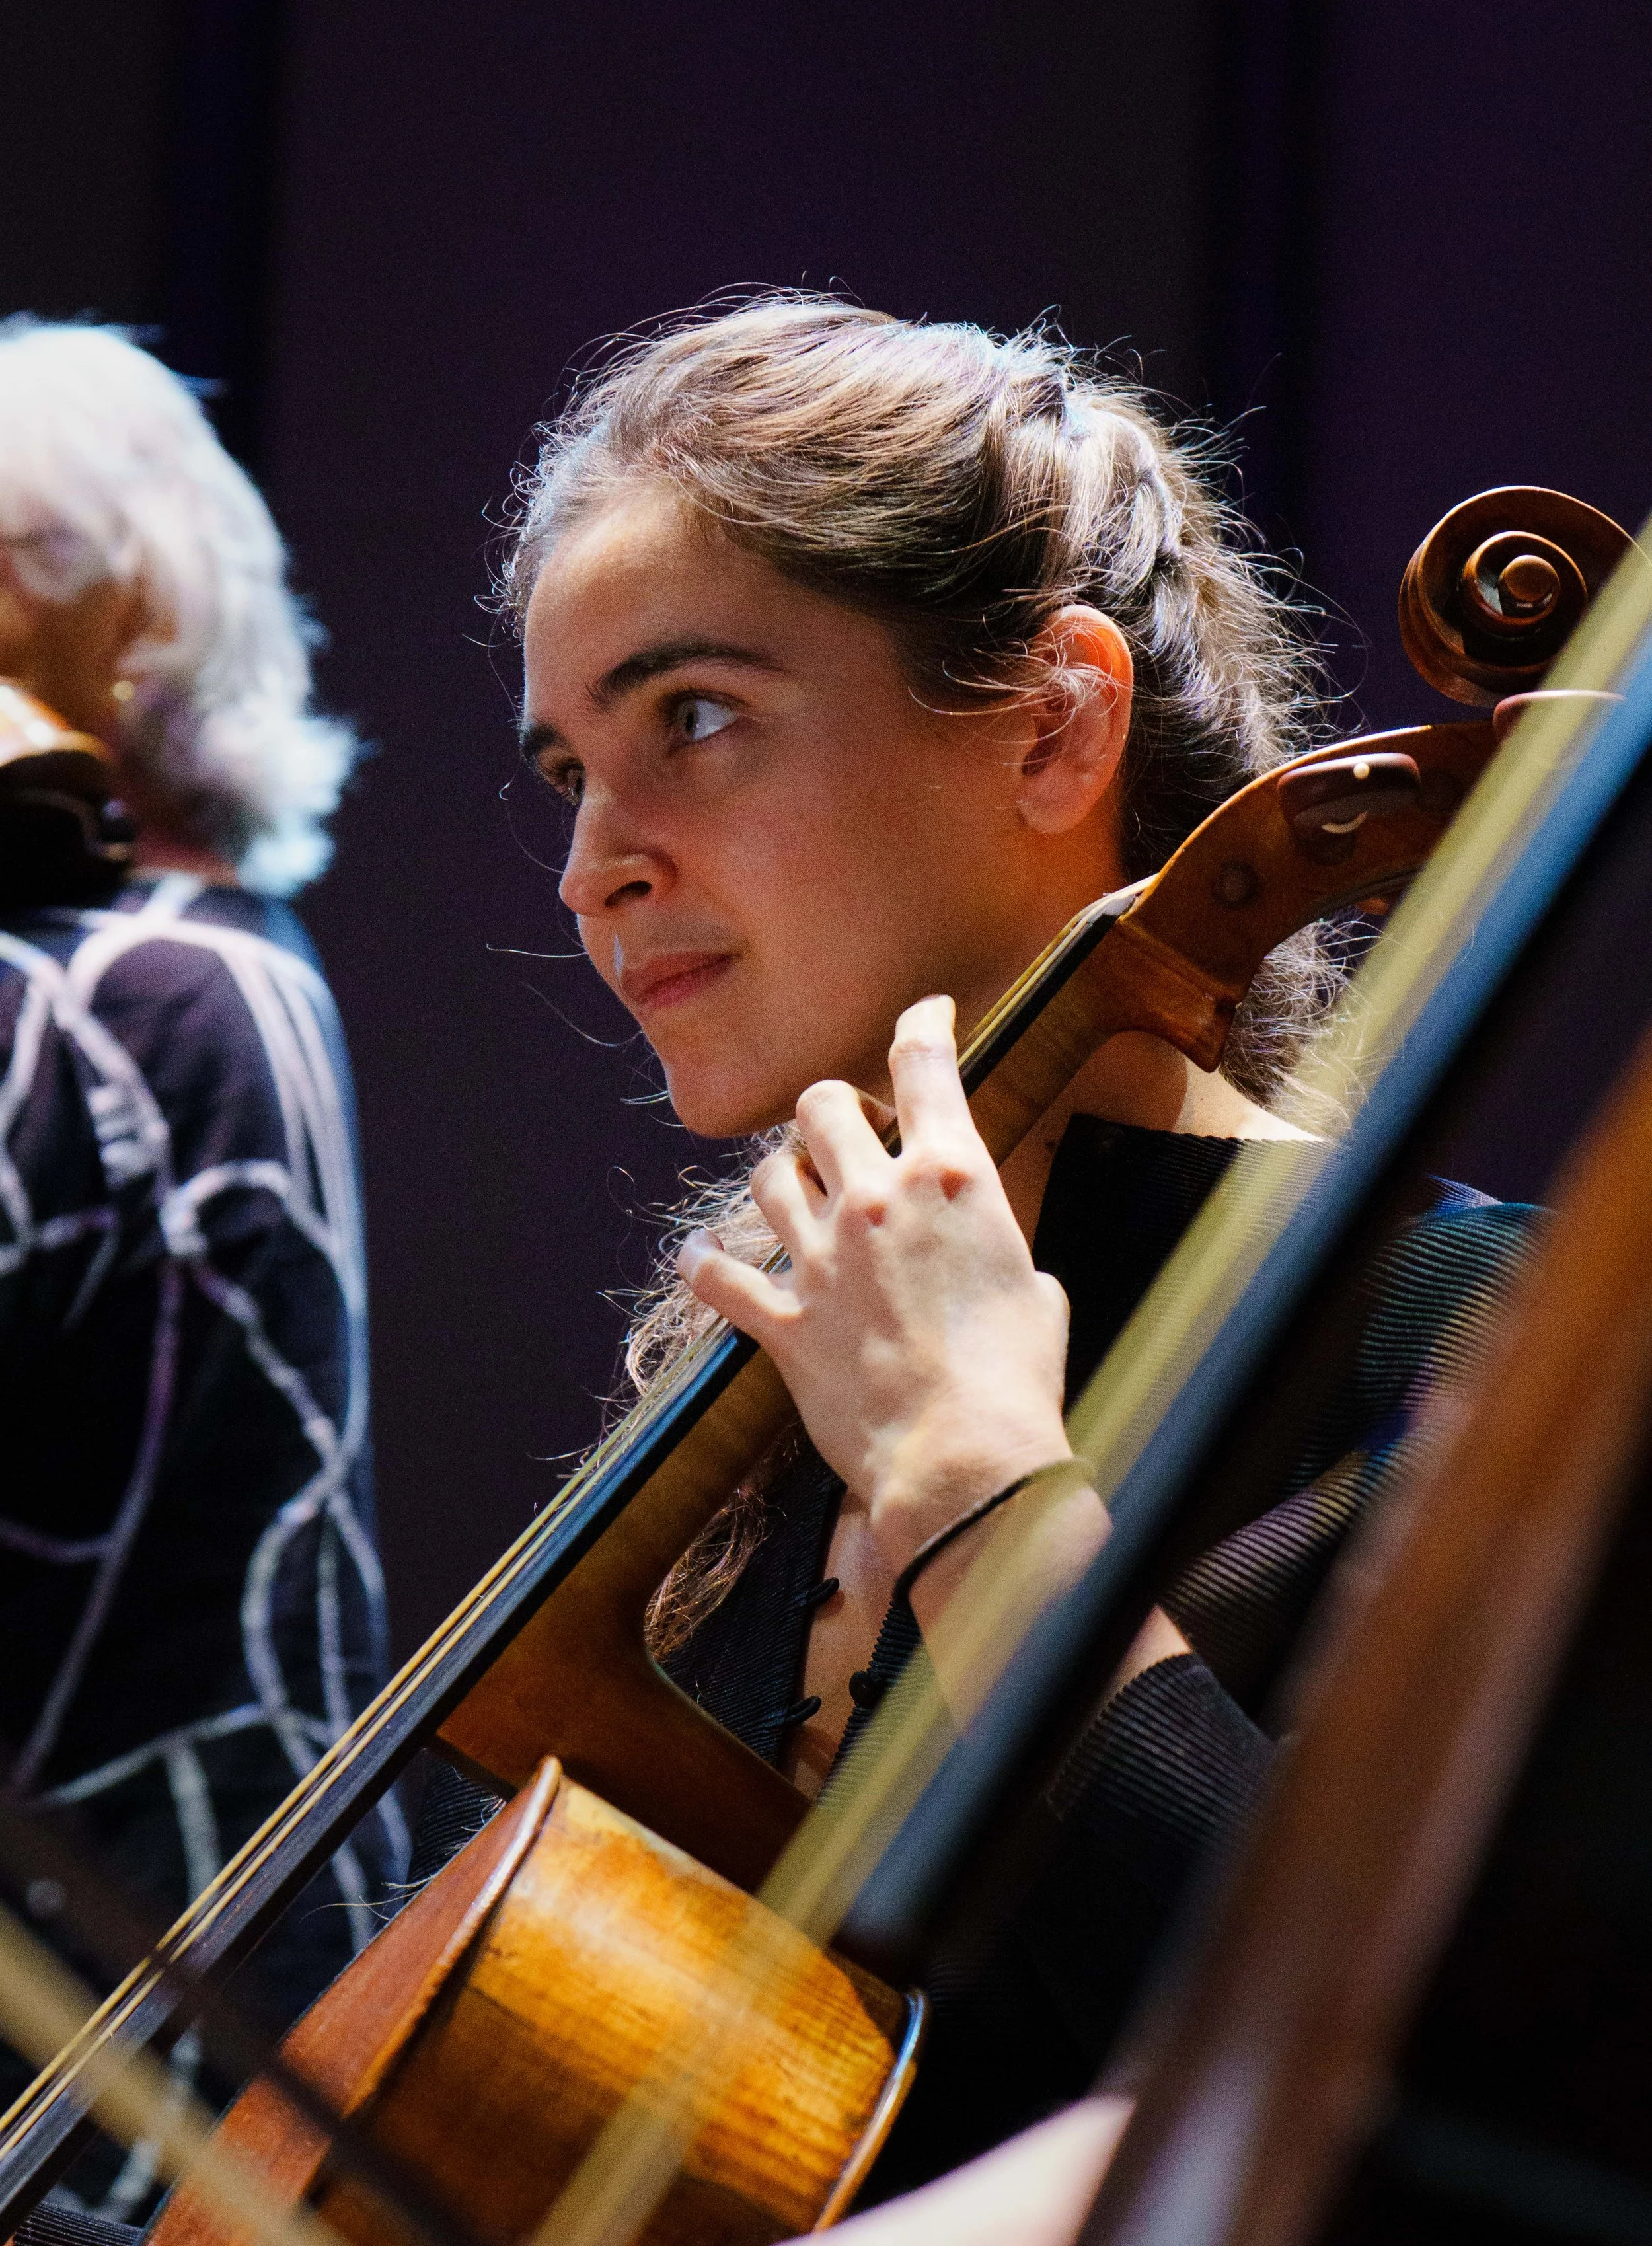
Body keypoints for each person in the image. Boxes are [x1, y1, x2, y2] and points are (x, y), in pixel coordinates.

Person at [480, 295, 1542, 2206]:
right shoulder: (760, 1404)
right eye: (570, 771)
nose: (593, 865)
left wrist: (980, 1491)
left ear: (1054, 723)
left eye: (691, 719)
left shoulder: (1480, 1349)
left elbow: (1415, 2122)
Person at [0, 320, 403, 2226]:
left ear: (124, 606)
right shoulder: (234, 956)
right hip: (211, 1958)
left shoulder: (106, 976)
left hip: (96, 2021)